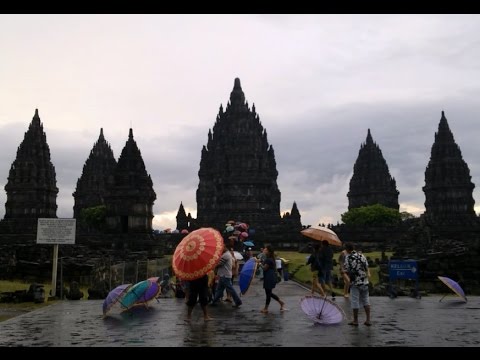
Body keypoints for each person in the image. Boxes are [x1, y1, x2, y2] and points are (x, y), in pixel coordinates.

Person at [344, 243, 371, 326]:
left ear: (347, 250)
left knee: (355, 301)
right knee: (366, 300)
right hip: (364, 281)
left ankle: (355, 321)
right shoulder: (361, 255)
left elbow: (347, 269)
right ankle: (368, 320)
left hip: (355, 282)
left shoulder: (348, 257)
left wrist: (343, 271)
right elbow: (366, 267)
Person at [256, 245, 286, 313]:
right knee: (269, 293)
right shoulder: (269, 258)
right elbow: (264, 264)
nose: (264, 250)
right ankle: (281, 302)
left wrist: (259, 263)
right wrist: (260, 262)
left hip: (269, 277)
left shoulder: (269, 259)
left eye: (266, 250)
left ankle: (266, 308)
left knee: (268, 293)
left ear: (269, 252)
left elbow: (264, 268)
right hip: (269, 276)